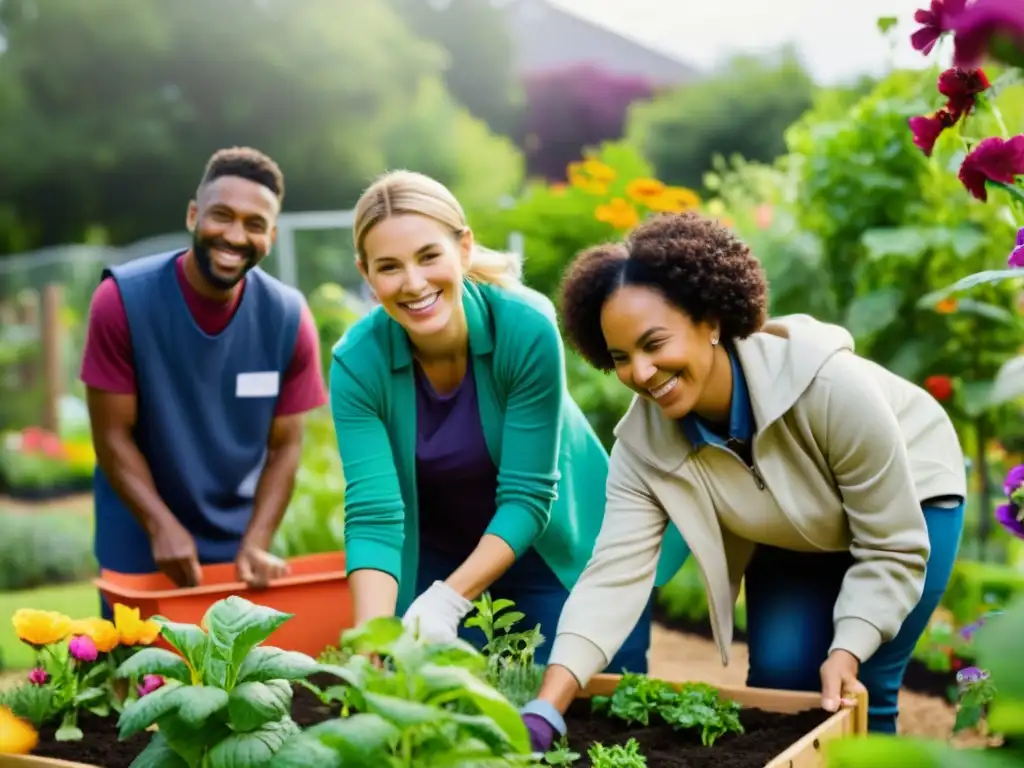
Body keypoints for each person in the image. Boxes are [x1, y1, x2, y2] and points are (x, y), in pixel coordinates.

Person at [519, 211, 967, 746]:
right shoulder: (642, 446)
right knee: (780, 688)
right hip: (789, 529)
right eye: (620, 357)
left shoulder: (828, 387)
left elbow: (890, 544)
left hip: (911, 505)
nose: (639, 373)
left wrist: (847, 646)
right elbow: (613, 577)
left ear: (710, 321)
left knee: (860, 688)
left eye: (654, 343)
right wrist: (548, 705)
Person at [329, 170, 683, 670]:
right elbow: (374, 517)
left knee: (591, 713)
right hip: (440, 558)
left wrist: (449, 602)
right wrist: (371, 642)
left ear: (464, 248)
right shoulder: (357, 363)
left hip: (555, 552)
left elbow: (528, 497)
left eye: (429, 256)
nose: (413, 283)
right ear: (366, 275)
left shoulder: (524, 327)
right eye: (389, 267)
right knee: (441, 717)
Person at [81, 146, 327, 618]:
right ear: (194, 215)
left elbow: (286, 447)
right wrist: (159, 525)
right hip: (137, 530)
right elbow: (111, 435)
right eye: (221, 216)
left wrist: (257, 541)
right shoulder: (120, 302)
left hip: (233, 542)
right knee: (132, 682)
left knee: (231, 686)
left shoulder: (288, 319)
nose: (235, 236)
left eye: (254, 224)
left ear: (271, 236)